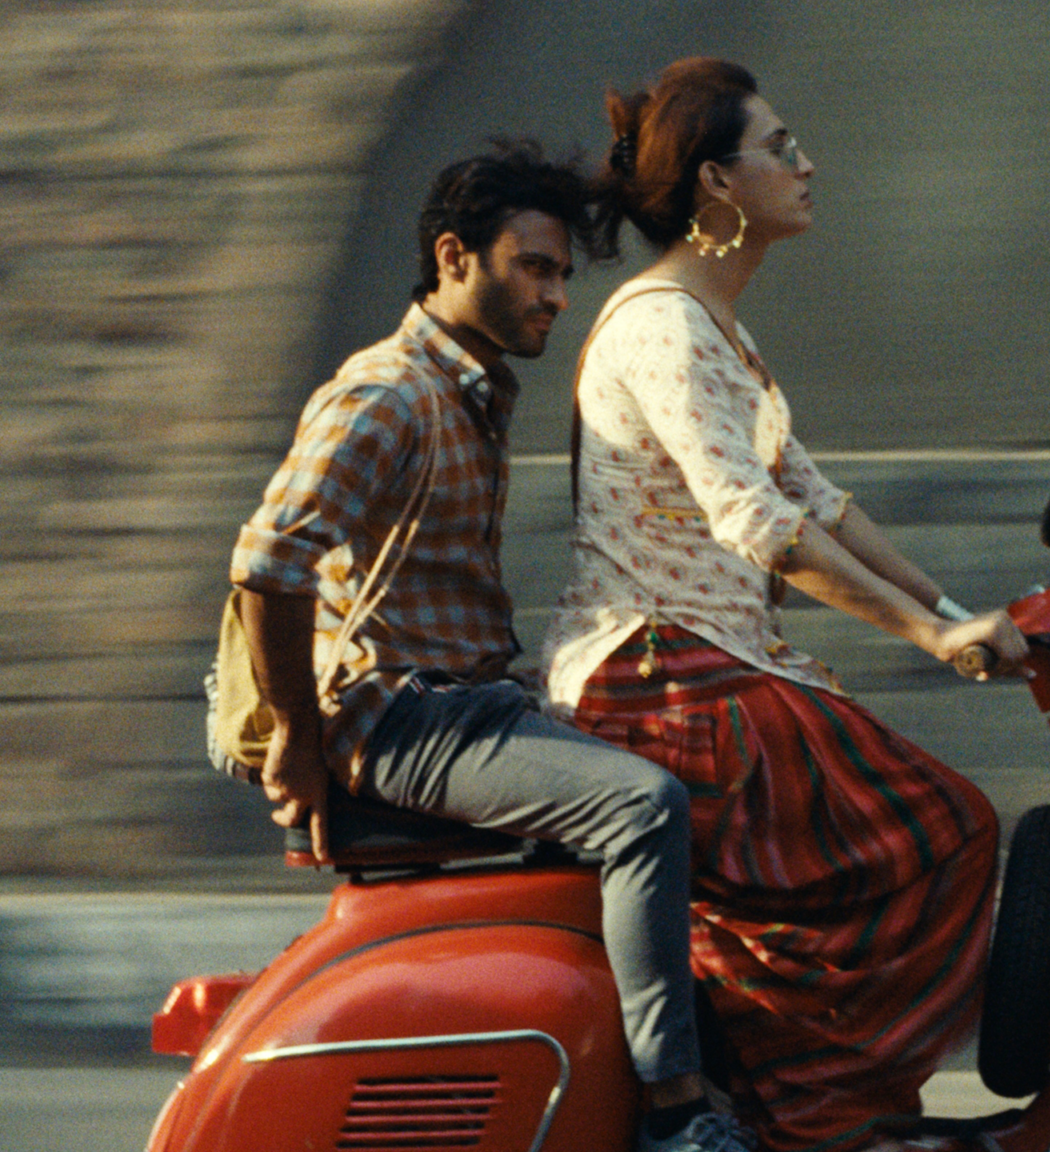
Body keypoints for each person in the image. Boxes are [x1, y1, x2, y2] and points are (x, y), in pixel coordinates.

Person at [540, 61, 1030, 1152]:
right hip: (653, 673)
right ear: (717, 182)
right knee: (939, 830)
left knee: (927, 835)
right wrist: (928, 635)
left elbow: (817, 501)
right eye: (780, 147)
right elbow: (754, 522)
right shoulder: (662, 325)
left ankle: (820, 1105)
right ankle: (815, 1120)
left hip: (709, 664)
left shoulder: (718, 333)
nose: (806, 165)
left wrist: (959, 612)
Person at [226, 141, 750, 1152]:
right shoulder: (389, 395)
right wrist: (297, 734)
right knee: (642, 809)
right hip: (406, 718)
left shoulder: (470, 389)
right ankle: (678, 1115)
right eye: (533, 268)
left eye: (561, 273)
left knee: (709, 762)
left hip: (471, 701)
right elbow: (268, 563)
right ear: (454, 256)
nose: (555, 296)